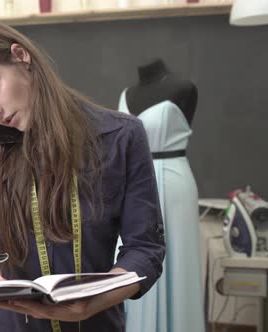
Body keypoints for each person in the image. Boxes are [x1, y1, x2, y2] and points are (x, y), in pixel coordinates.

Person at [0, 20, 166, 331]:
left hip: (93, 323)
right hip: (4, 324)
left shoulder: (120, 137)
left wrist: (93, 302)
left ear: (21, 56)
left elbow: (145, 249)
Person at [118, 59, 204, 332]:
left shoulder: (184, 88)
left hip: (172, 180)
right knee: (134, 255)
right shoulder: (126, 95)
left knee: (176, 267)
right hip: (132, 180)